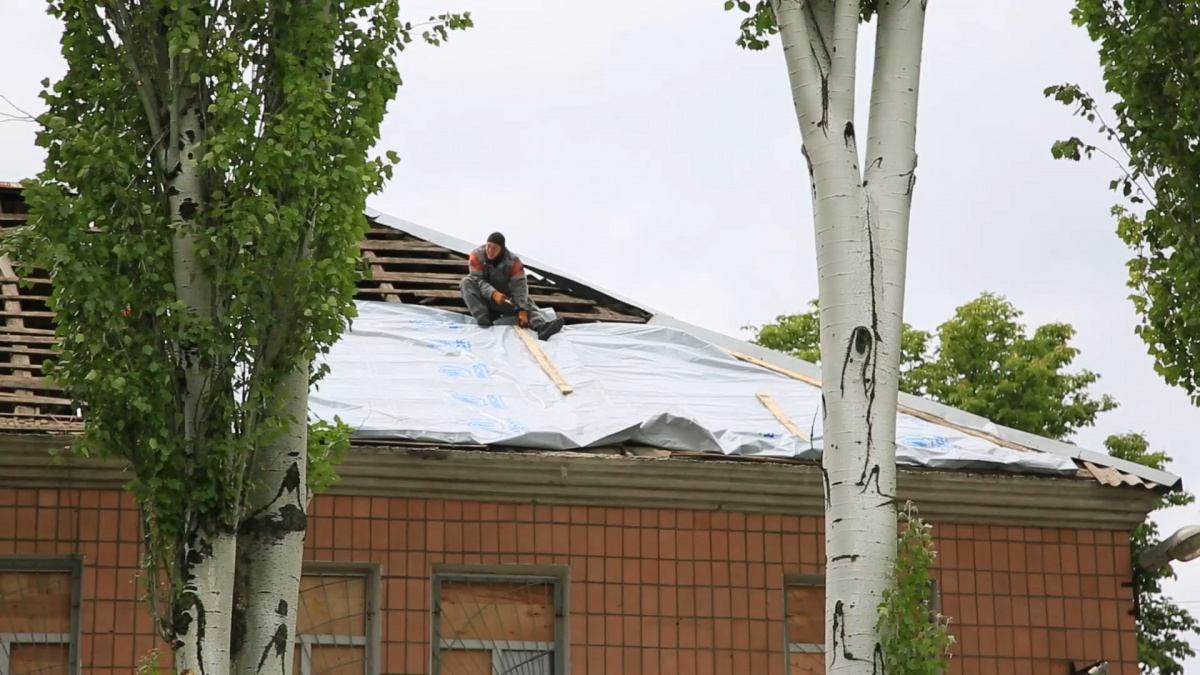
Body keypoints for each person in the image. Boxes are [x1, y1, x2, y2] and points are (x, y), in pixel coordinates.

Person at [460, 232, 565, 341]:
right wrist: (493, 294)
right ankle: (484, 318)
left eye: (494, 248)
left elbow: (520, 287)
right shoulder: (476, 255)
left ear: (501, 250)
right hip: (483, 297)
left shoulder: (513, 261)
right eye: (488, 246)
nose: (490, 251)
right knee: (466, 281)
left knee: (526, 300)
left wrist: (521, 309)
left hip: (505, 299)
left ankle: (540, 326)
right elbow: (477, 279)